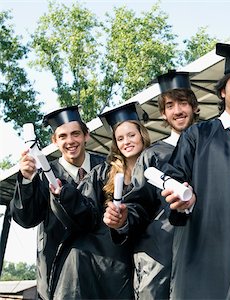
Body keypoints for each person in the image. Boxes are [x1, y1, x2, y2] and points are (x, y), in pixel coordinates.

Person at [161, 43, 230, 299]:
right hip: (202, 253)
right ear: (223, 90)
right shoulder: (197, 136)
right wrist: (182, 198)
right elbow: (176, 178)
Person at [49, 101, 163, 299]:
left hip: (144, 257)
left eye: (131, 135)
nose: (126, 141)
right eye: (120, 138)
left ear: (142, 135)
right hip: (102, 260)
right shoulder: (103, 172)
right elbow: (87, 210)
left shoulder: (158, 165)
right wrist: (65, 195)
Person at [10, 105, 105, 300]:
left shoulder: (106, 169)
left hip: (102, 270)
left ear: (86, 135)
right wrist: (27, 179)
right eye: (62, 136)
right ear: (54, 141)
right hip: (57, 271)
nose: (70, 141)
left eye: (76, 134)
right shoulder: (44, 176)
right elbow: (26, 219)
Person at [133, 70, 199, 300]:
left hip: (205, 245)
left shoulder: (212, 146)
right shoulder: (152, 156)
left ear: (193, 106)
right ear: (163, 113)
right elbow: (137, 206)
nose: (178, 111)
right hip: (160, 252)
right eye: (170, 105)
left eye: (183, 103)